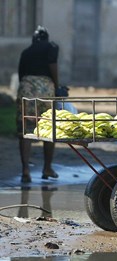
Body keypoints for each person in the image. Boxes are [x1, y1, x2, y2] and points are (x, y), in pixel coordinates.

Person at [16, 26, 59, 183]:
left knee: (25, 130)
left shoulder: (26, 52)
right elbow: (53, 65)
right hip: (45, 90)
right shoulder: (52, 47)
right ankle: (47, 168)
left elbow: (21, 75)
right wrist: (57, 85)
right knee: (48, 128)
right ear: (46, 38)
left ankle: (25, 171)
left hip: (26, 90)